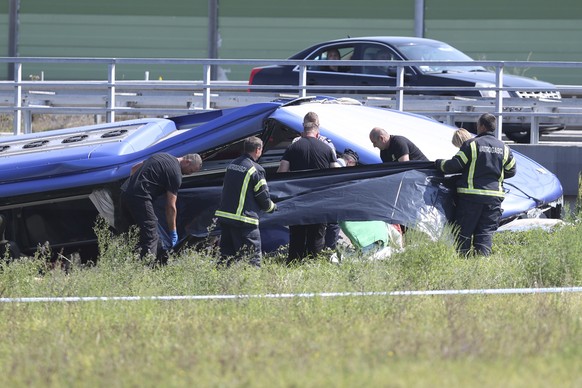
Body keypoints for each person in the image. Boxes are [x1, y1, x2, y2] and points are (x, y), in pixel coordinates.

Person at [435, 113, 516, 256]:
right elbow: (511, 171)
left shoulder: (472, 144)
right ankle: (482, 266)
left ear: (481, 126)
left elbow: (454, 165)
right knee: (485, 235)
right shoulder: (504, 147)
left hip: (471, 198)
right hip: (494, 199)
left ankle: (463, 263)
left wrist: (438, 163)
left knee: (464, 233)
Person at [278, 112, 340, 263]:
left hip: (297, 198)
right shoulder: (327, 149)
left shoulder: (293, 148)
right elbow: (337, 173)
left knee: (297, 234)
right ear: (317, 132)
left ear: (302, 132)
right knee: (317, 235)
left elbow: (282, 172)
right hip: (319, 199)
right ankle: (313, 264)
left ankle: (294, 263)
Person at [119, 153, 202, 260]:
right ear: (187, 162)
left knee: (131, 232)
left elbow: (135, 167)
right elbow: (171, 206)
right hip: (141, 197)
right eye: (191, 171)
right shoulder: (176, 174)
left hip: (124, 193)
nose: (189, 174)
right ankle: (145, 268)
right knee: (151, 234)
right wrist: (173, 232)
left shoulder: (162, 156)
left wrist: (133, 186)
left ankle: (127, 262)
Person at [215, 136, 277, 267]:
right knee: (252, 260)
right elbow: (263, 196)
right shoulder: (256, 169)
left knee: (227, 259)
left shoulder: (232, 165)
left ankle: (224, 285)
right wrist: (272, 207)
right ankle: (252, 287)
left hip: (226, 218)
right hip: (245, 222)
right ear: (258, 149)